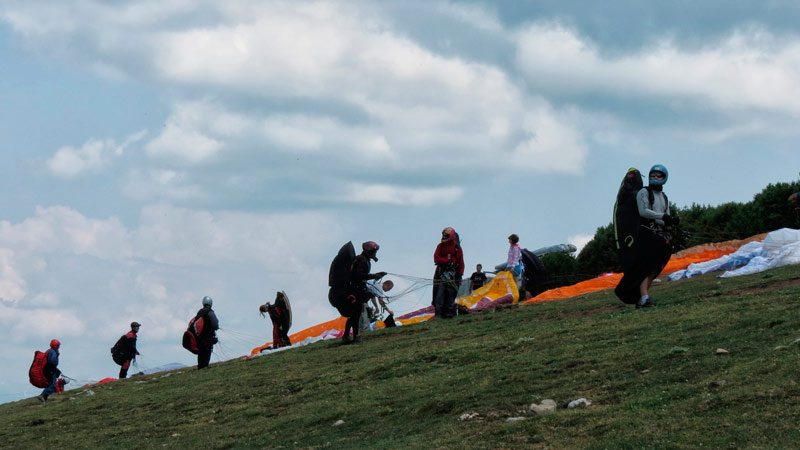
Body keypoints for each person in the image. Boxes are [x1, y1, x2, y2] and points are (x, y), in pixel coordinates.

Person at [633, 164, 675, 309]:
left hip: (660, 234)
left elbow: (666, 214)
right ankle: (644, 297)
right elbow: (643, 211)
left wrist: (670, 221)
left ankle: (642, 297)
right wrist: (661, 216)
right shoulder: (644, 192)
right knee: (646, 266)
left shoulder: (663, 197)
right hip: (646, 233)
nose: (655, 178)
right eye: (653, 175)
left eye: (659, 176)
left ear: (664, 178)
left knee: (656, 268)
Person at [344, 241, 386, 344]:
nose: (375, 254)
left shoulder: (363, 259)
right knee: (355, 313)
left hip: (356, 288)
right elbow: (358, 275)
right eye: (374, 251)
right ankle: (355, 336)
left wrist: (376, 275)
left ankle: (347, 335)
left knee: (354, 313)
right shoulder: (362, 260)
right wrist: (373, 276)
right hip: (355, 289)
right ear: (369, 252)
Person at [433, 227, 464, 319]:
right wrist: (446, 261)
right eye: (443, 235)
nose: (444, 237)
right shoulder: (440, 246)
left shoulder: (457, 248)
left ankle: (449, 314)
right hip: (441, 274)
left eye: (446, 236)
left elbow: (461, 262)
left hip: (453, 276)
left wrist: (460, 274)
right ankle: (438, 314)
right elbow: (436, 257)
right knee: (439, 293)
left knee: (450, 294)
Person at [195, 296, 219, 369]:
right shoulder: (210, 312)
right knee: (206, 353)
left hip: (199, 339)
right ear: (211, 303)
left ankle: (200, 367)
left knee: (201, 354)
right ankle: (204, 367)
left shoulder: (199, 312)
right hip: (208, 339)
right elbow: (215, 325)